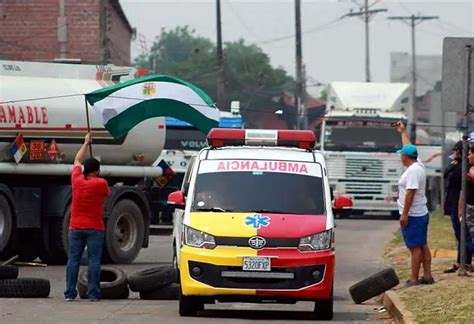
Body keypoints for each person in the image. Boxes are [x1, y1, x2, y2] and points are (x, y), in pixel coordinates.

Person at [64, 133, 110, 301]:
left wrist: (85, 142)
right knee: (94, 261)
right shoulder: (101, 183)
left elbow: (76, 161)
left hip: (75, 226)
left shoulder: (76, 179)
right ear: (97, 171)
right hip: (95, 227)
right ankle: (93, 294)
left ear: (85, 169)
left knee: (73, 260)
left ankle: (69, 293)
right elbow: (106, 194)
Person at [395, 122, 434, 286]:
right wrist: (402, 132)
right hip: (420, 212)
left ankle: (414, 278)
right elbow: (408, 146)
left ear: (405, 157)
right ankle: (427, 275)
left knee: (415, 247)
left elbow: (410, 193)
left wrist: (404, 214)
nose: (400, 157)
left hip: (413, 214)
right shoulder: (418, 165)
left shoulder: (413, 171)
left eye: (401, 155)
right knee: (422, 244)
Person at [443, 141, 472, 273]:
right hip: (453, 203)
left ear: (460, 152)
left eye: (455, 150)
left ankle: (465, 262)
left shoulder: (464, 167)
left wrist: (455, 164)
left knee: (464, 235)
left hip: (459, 204)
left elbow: (454, 177)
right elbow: (445, 173)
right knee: (459, 235)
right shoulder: (456, 165)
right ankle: (460, 261)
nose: (453, 153)